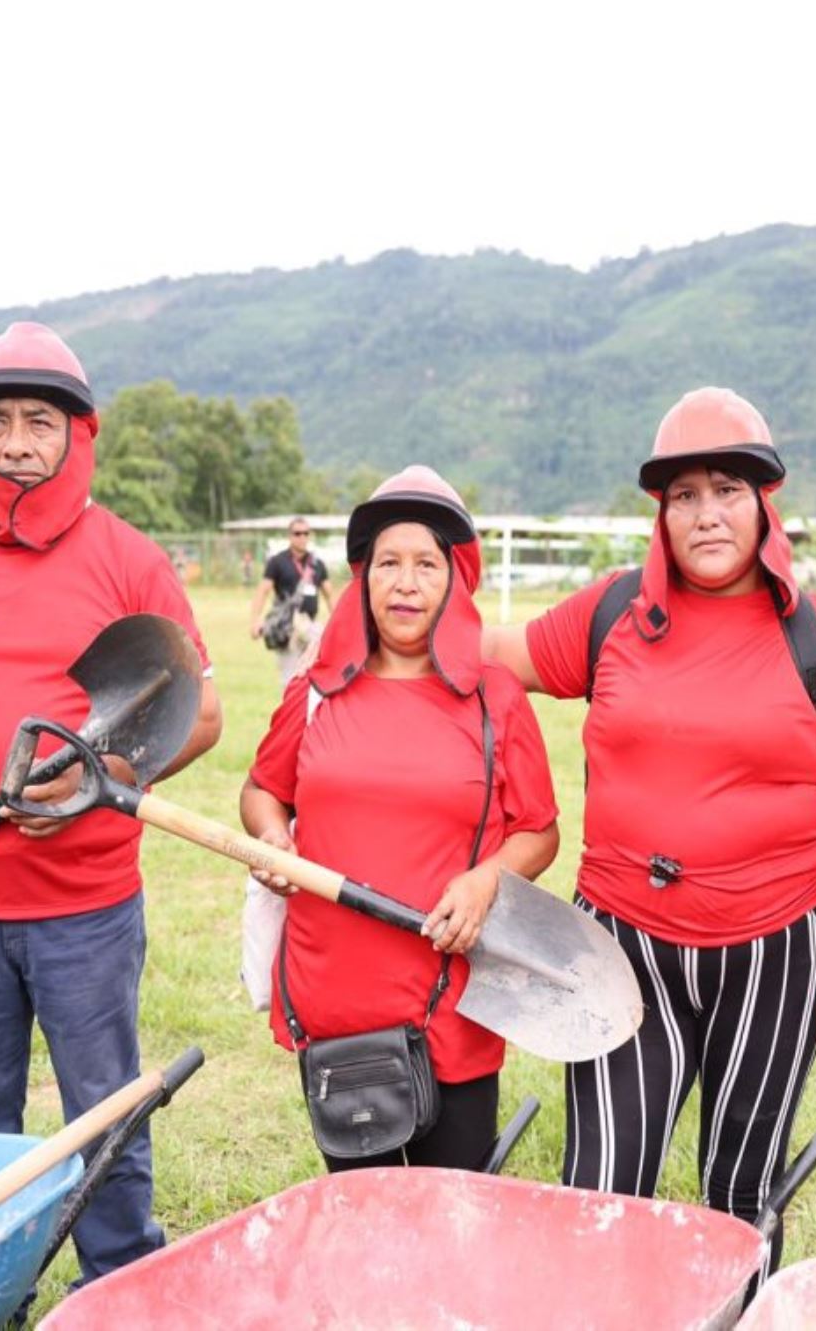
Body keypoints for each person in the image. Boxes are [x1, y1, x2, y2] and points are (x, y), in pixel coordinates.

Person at [485, 388, 816, 1259]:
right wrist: (390, 624)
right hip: (622, 943)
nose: (708, 514)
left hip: (775, 951)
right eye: (684, 496)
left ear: (764, 505)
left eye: (728, 490)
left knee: (740, 1189)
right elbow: (493, 662)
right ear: (661, 513)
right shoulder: (611, 614)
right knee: (603, 1181)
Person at [0, 321, 224, 1283]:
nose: (16, 441)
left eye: (38, 421)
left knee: (105, 1115)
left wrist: (95, 779)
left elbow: (199, 715)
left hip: (86, 914)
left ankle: (117, 1288)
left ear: (80, 434)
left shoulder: (131, 563)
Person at [242, 466, 559, 1172]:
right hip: (334, 1003)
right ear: (363, 580)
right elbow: (263, 789)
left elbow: (539, 831)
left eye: (426, 565)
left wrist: (484, 881)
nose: (406, 583)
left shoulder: (496, 700)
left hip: (450, 1000)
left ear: (456, 580)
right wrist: (271, 835)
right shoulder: (316, 692)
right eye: (389, 564)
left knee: (451, 1218)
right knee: (360, 1218)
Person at [249, 516, 334, 685]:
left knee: (317, 675)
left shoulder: (317, 564)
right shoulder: (277, 562)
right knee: (290, 679)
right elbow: (262, 591)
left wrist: (338, 624)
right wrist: (255, 621)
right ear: (290, 536)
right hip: (287, 627)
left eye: (306, 533)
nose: (302, 537)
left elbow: (330, 595)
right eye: (297, 533)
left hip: (310, 626)